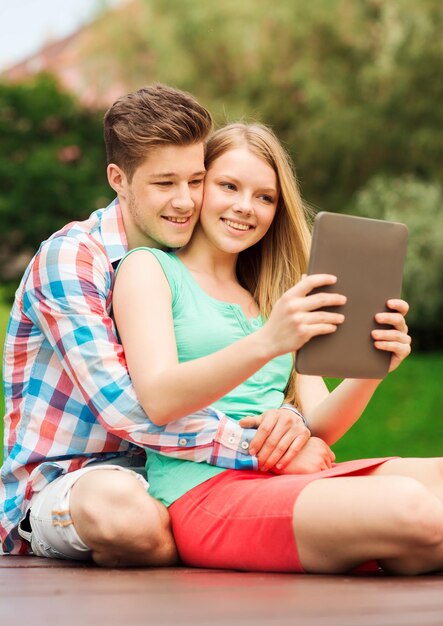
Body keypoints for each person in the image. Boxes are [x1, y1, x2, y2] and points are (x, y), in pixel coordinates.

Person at [113, 122, 443, 576]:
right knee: (410, 506)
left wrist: (371, 368)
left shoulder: (277, 297)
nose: (245, 207)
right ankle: (402, 544)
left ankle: (401, 547)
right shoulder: (150, 269)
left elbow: (320, 425)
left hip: (291, 481)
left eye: (265, 197)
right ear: (199, 187)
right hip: (204, 493)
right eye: (228, 186)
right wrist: (269, 340)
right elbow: (159, 398)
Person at [0, 86, 311, 566]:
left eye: (196, 180)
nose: (186, 202)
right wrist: (259, 450)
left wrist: (290, 420)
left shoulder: (191, 261)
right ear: (118, 179)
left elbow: (249, 380)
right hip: (71, 480)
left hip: (176, 470)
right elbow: (127, 409)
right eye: (165, 184)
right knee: (129, 516)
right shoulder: (73, 260)